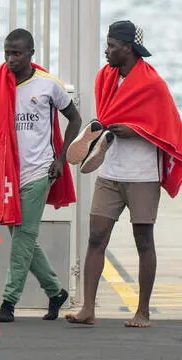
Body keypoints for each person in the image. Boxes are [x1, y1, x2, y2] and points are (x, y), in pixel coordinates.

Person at [66, 20, 182, 328]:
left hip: (143, 175)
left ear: (128, 49)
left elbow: (169, 129)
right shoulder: (106, 77)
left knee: (143, 240)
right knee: (95, 238)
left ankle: (142, 311)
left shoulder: (153, 85)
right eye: (107, 45)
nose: (107, 51)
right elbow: (107, 116)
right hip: (111, 171)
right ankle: (88, 309)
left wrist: (136, 130)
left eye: (112, 47)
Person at [0, 29, 80, 323]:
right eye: (7, 53)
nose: (11, 59)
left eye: (17, 53)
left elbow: (74, 118)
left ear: (31, 54)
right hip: (10, 174)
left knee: (23, 237)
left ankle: (9, 303)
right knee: (23, 236)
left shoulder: (48, 85)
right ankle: (55, 291)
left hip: (40, 171)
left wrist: (61, 159)